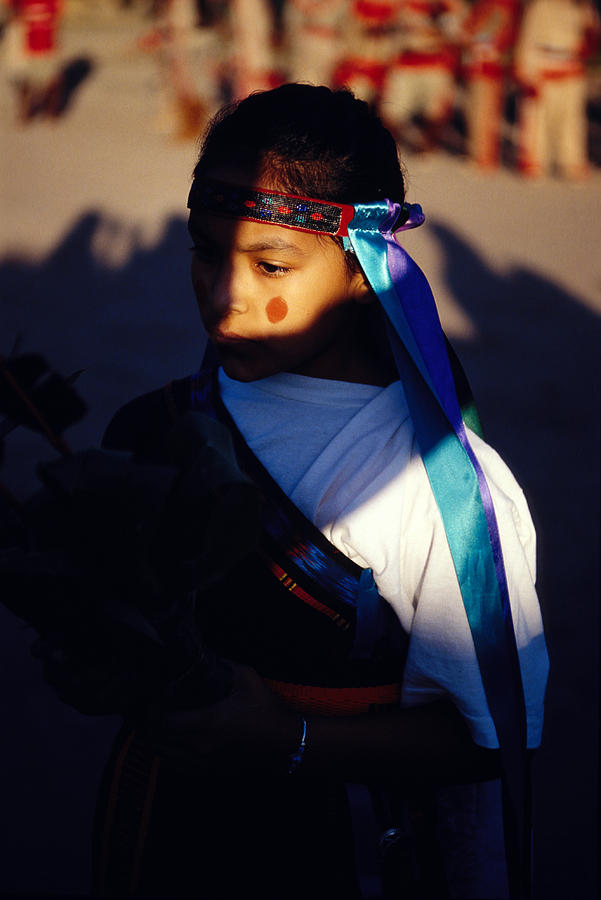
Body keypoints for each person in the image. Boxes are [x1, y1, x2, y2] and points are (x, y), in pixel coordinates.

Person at [41, 84, 548, 899]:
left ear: (363, 269)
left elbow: (492, 739)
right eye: (205, 251)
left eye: (268, 264)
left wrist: (287, 736)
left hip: (338, 850)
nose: (223, 294)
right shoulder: (152, 424)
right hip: (156, 831)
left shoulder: (433, 485)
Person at [514, 0, 601, 179]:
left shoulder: (581, 8)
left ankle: (571, 162)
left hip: (571, 65)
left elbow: (591, 37)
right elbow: (529, 35)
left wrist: (590, 20)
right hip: (543, 62)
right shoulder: (541, 6)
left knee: (572, 118)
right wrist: (525, 66)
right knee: (537, 117)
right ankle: (535, 161)